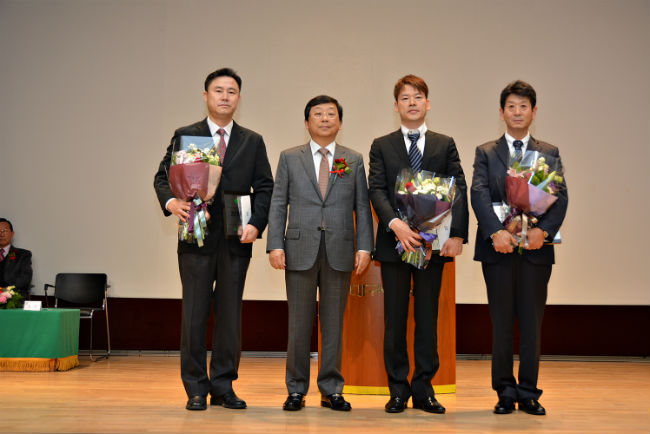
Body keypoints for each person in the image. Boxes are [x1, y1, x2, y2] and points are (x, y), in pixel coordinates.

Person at [153, 68, 274, 411]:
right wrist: (172, 202)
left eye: (231, 91)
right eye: (218, 90)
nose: (225, 96)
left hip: (237, 236)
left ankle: (223, 386)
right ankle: (195, 388)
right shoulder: (186, 134)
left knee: (230, 315)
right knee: (194, 314)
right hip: (196, 236)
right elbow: (162, 177)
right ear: (206, 96)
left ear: (239, 98)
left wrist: (257, 224)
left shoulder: (252, 140)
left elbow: (265, 187)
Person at [368, 75, 468, 414]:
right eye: (405, 98)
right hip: (395, 244)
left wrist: (457, 235)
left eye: (418, 96)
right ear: (396, 106)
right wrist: (395, 225)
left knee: (427, 319)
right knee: (394, 320)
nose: (412, 102)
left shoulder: (445, 143)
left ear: (428, 103)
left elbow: (458, 188)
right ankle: (397, 390)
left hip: (432, 244)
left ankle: (424, 390)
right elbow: (376, 189)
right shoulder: (382, 145)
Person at [267, 95, 373, 412]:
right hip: (299, 248)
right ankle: (296, 389)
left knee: (333, 323)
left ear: (340, 123)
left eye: (331, 114)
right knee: (298, 324)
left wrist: (364, 246)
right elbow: (278, 203)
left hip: (340, 249)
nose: (325, 119)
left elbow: (362, 206)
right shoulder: (290, 158)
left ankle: (331, 389)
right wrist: (275, 244)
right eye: (318, 114)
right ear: (306, 122)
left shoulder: (352, 159)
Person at [470, 80, 568, 416]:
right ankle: (504, 391)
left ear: (533, 111)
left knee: (531, 324)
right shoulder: (486, 152)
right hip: (497, 250)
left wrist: (543, 231)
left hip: (535, 251)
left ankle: (528, 392)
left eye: (523, 106)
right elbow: (479, 194)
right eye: (511, 106)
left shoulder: (549, 152)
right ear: (501, 112)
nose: (517, 112)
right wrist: (496, 232)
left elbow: (560, 197)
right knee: (501, 324)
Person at [0, 218, 33, 301]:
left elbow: (25, 278)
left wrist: (5, 292)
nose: (1, 234)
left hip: (14, 298)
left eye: (5, 231)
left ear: (12, 234)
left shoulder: (23, 255)